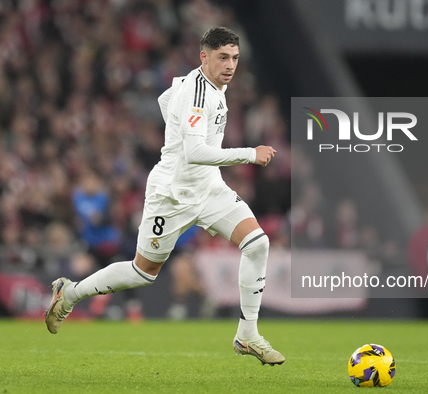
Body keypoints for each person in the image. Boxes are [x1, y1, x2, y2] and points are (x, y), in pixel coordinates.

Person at [44, 26, 284, 366]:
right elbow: (195, 151)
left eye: (234, 58)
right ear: (205, 57)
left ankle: (247, 334)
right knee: (142, 273)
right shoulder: (199, 92)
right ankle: (69, 293)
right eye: (222, 58)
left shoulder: (206, 85)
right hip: (172, 194)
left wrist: (175, 126)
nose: (230, 65)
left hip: (209, 188)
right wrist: (249, 154)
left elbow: (166, 98)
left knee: (258, 243)